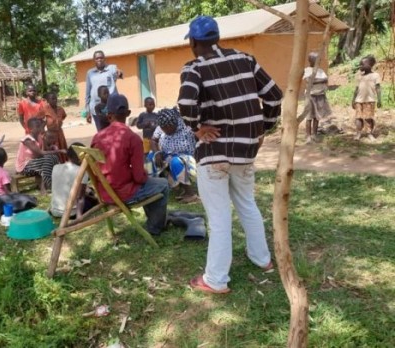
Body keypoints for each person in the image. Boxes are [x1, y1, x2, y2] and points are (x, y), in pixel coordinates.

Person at [178, 16, 283, 293]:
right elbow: (274, 95)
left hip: (214, 155)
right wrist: (263, 129)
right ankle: (262, 259)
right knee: (247, 204)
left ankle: (215, 280)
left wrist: (197, 128)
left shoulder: (195, 68)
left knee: (220, 217)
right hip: (245, 152)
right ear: (216, 37)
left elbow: (186, 102)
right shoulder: (245, 59)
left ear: (193, 42)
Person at [91, 94, 169, 235]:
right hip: (122, 193)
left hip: (104, 191)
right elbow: (139, 178)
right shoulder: (133, 139)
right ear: (128, 113)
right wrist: (146, 176)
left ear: (109, 116)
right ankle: (155, 227)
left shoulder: (97, 137)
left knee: (151, 184)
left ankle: (153, 221)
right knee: (162, 184)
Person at [148, 108, 198, 203]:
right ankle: (153, 189)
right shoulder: (161, 125)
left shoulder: (186, 126)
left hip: (186, 157)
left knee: (175, 161)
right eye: (162, 128)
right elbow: (153, 140)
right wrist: (157, 152)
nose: (164, 130)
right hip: (167, 155)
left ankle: (190, 194)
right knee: (150, 158)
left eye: (167, 127)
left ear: (173, 123)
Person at [15, 118, 64, 194]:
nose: (40, 128)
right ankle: (48, 185)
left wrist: (53, 147)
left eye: (40, 126)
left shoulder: (39, 137)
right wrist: (59, 151)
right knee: (48, 159)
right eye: (37, 127)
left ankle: (50, 184)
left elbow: (46, 150)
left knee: (54, 158)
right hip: (25, 166)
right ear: (31, 129)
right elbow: (41, 153)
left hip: (37, 163)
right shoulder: (27, 140)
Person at [50, 143, 98, 219]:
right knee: (92, 200)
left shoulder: (55, 167)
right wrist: (79, 216)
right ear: (81, 158)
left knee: (88, 192)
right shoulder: (81, 171)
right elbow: (80, 197)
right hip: (71, 213)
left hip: (55, 211)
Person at [0, 148, 37, 216]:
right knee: (21, 200)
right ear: (6, 158)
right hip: (0, 198)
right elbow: (8, 191)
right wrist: (16, 195)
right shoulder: (3, 173)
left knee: (14, 198)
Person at [85, 50, 122, 129]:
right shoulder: (90, 73)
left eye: (101, 58)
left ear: (104, 59)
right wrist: (88, 111)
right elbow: (88, 93)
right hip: (96, 109)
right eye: (97, 58)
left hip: (111, 107)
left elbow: (118, 72)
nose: (99, 60)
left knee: (114, 130)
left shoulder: (111, 68)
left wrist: (119, 72)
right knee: (101, 132)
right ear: (94, 60)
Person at [302, 52, 332, 144]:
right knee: (309, 116)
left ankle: (314, 134)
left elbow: (326, 80)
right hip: (310, 96)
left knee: (317, 117)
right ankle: (308, 136)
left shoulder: (320, 70)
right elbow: (308, 81)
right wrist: (320, 80)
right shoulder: (307, 70)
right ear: (310, 60)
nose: (318, 61)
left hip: (320, 96)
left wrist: (315, 80)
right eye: (316, 59)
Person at [352, 55, 382, 141]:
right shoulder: (359, 76)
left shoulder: (375, 75)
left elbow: (378, 88)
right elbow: (356, 89)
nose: (360, 66)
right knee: (358, 117)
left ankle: (369, 134)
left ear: (370, 65)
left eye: (362, 64)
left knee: (368, 118)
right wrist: (353, 99)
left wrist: (379, 99)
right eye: (360, 64)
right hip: (359, 100)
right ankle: (358, 133)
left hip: (370, 100)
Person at [39, 92, 68, 161]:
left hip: (60, 133)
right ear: (48, 100)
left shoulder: (60, 109)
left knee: (62, 148)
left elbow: (63, 116)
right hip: (50, 134)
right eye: (52, 99)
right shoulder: (45, 109)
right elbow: (38, 119)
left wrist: (57, 122)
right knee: (53, 149)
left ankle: (63, 163)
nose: (55, 100)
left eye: (55, 98)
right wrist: (43, 129)